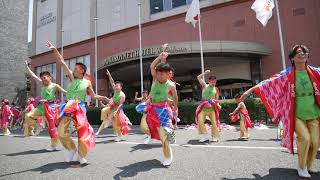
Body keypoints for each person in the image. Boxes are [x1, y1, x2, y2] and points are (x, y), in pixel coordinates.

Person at [241, 45, 319, 178]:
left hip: (314, 112)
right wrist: (249, 91)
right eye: (298, 52)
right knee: (305, 139)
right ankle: (302, 167)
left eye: (304, 52)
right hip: (296, 113)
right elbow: (268, 82)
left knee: (315, 141)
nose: (302, 54)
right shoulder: (287, 74)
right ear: (292, 58)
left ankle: (309, 164)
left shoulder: (315, 72)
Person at [47, 40, 108, 166]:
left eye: (76, 69)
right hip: (68, 106)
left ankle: (81, 155)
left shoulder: (87, 82)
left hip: (79, 107)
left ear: (82, 71)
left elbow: (92, 96)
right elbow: (62, 62)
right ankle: (71, 148)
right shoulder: (72, 77)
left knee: (82, 132)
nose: (73, 70)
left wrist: (103, 97)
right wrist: (55, 50)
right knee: (61, 131)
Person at [138, 48, 178, 166]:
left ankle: (168, 155)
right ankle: (153, 134)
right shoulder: (155, 79)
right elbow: (152, 66)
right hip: (151, 108)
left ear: (168, 74)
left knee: (163, 135)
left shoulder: (171, 85)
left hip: (163, 111)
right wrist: (160, 57)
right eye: (158, 73)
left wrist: (175, 107)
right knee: (144, 127)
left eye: (162, 74)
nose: (159, 76)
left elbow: (175, 97)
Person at [24, 61, 67, 151]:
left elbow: (65, 92)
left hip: (51, 107)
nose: (43, 80)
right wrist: (27, 67)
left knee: (52, 127)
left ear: (49, 77)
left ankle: (53, 145)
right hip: (41, 107)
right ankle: (38, 126)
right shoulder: (42, 84)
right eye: (42, 78)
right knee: (28, 116)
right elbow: (33, 76)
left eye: (44, 78)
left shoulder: (55, 85)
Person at [96, 70, 131, 140]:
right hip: (112, 108)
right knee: (104, 110)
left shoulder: (122, 95)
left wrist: (116, 111)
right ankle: (108, 121)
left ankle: (119, 135)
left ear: (121, 87)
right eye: (115, 86)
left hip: (118, 110)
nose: (116, 87)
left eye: (117, 86)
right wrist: (109, 74)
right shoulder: (115, 91)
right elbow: (112, 82)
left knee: (117, 123)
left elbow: (120, 105)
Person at [195, 70, 221, 142]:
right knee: (200, 121)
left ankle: (214, 137)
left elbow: (216, 100)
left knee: (214, 122)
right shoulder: (205, 86)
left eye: (214, 82)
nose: (213, 83)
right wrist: (204, 73)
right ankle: (205, 136)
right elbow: (198, 77)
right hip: (203, 108)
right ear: (209, 81)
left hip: (212, 109)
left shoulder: (216, 89)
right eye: (212, 82)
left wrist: (218, 105)